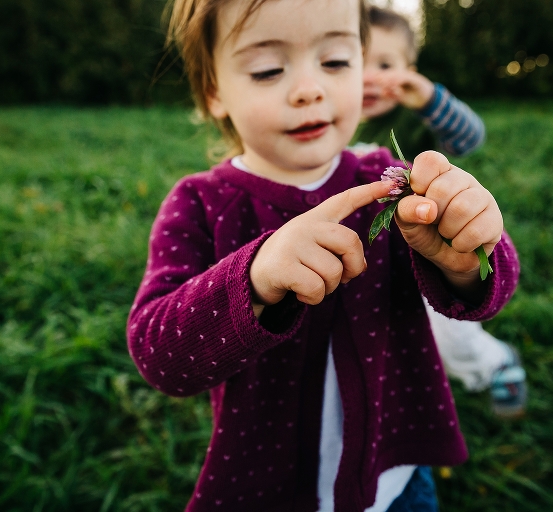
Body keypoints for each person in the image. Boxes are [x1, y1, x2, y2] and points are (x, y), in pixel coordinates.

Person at [127, 0, 519, 511]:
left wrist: (468, 255)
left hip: (395, 477)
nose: (310, 88)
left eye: (335, 61)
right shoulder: (200, 203)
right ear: (214, 92)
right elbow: (159, 356)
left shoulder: (392, 181)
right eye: (268, 69)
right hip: (268, 486)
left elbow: (493, 290)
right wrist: (256, 277)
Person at [353, 5, 526, 419]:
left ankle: (495, 363)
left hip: (430, 246)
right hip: (370, 252)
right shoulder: (331, 122)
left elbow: (470, 137)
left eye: (385, 64)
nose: (369, 76)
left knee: (449, 331)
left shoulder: (414, 118)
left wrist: (428, 97)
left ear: (410, 70)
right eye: (353, 61)